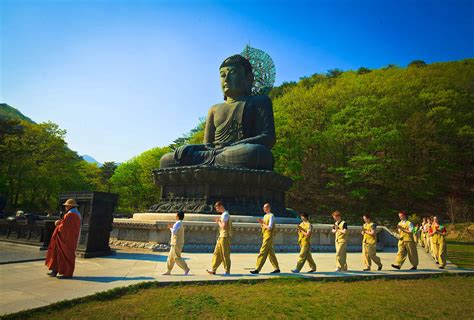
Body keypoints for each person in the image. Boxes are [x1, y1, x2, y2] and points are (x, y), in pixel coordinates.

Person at [160, 54, 276, 170]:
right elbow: (208, 146)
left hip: (237, 153)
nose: (226, 79)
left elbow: (268, 138)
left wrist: (233, 145)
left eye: (233, 73)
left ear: (249, 78)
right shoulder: (214, 108)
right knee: (167, 160)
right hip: (213, 155)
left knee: (256, 153)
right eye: (222, 75)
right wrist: (191, 147)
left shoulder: (260, 101)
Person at [45, 198, 81, 278]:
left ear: (69, 206)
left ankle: (66, 273)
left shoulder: (70, 215)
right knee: (60, 254)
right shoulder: (77, 214)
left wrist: (58, 224)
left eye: (66, 206)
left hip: (65, 239)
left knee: (63, 255)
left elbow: (63, 227)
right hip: (70, 239)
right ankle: (55, 271)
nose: (65, 207)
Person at [250, 203, 280, 274]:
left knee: (262, 252)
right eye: (263, 207)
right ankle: (277, 268)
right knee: (271, 253)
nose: (264, 209)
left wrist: (262, 223)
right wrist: (262, 223)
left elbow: (269, 227)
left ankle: (257, 269)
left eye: (265, 207)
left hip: (268, 236)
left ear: (269, 208)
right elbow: (265, 226)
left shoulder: (271, 216)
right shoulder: (265, 216)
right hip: (265, 236)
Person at [207, 201, 232, 275]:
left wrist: (218, 221)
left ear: (221, 206)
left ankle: (227, 271)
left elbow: (223, 226)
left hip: (224, 236)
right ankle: (213, 269)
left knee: (225, 254)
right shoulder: (224, 214)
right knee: (216, 253)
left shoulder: (225, 215)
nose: (216, 210)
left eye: (217, 208)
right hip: (221, 236)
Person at [163, 210, 190, 275]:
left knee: (176, 257)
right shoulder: (179, 223)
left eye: (176, 215)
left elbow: (174, 232)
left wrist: (170, 228)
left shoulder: (178, 223)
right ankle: (168, 270)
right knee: (170, 257)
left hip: (176, 243)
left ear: (177, 216)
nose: (175, 216)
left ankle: (186, 268)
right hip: (175, 242)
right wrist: (172, 227)